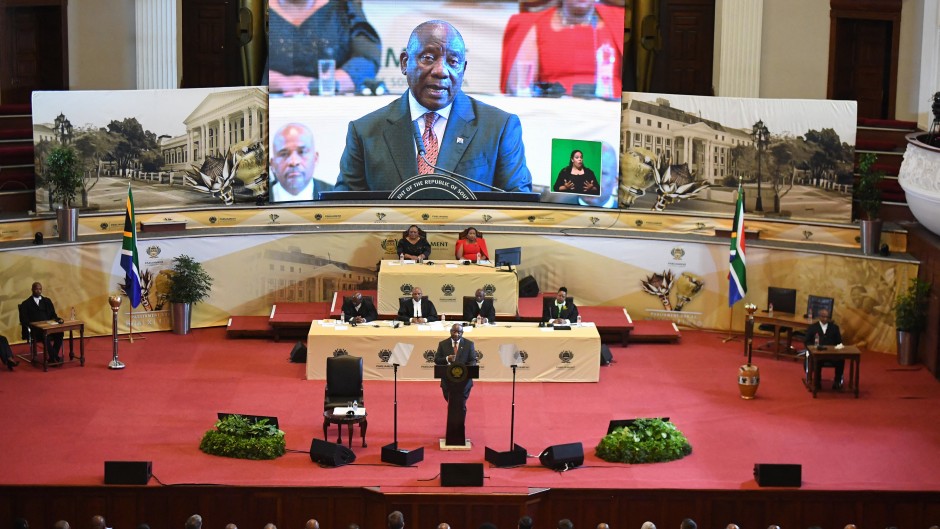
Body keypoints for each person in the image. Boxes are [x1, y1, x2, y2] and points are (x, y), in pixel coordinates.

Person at [335, 20, 532, 193]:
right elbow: (344, 208)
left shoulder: (499, 127)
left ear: (462, 70)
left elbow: (519, 204)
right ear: (404, 63)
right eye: (428, 58)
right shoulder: (364, 131)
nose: (441, 71)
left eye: (452, 61)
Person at [500, 0, 624, 96]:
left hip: (612, 113)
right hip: (556, 113)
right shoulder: (534, 24)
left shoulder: (622, 20)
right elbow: (519, 87)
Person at [267, 0, 381, 95]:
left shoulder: (344, 7)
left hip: (331, 106)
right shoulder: (253, 9)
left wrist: (323, 85)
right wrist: (281, 82)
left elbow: (366, 60)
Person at [269, 123, 333, 202]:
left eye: (302, 152)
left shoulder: (336, 196)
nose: (294, 162)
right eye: (284, 154)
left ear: (315, 158)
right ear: (272, 164)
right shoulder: (255, 199)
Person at [21, 282, 64, 364]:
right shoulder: (26, 304)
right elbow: (24, 320)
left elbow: (53, 315)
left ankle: (52, 357)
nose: (38, 291)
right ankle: (55, 357)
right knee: (45, 336)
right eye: (36, 289)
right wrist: (34, 325)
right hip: (36, 330)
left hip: (48, 327)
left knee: (60, 333)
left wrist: (58, 320)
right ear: (32, 290)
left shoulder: (47, 301)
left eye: (40, 289)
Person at [803, 308, 845, 389]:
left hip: (832, 354)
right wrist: (813, 349)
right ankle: (817, 382)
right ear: (819, 317)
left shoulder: (834, 328)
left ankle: (837, 381)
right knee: (816, 361)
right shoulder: (813, 327)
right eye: (823, 317)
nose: (825, 319)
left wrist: (837, 348)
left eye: (827, 317)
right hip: (818, 354)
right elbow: (806, 341)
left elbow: (839, 342)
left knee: (841, 360)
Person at [434, 323, 477, 402]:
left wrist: (466, 370)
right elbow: (437, 360)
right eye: (454, 331)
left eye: (459, 332)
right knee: (451, 403)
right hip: (448, 381)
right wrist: (447, 359)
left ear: (462, 333)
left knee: (461, 404)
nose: (456, 334)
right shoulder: (443, 344)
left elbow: (473, 360)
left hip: (464, 381)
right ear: (450, 331)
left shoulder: (469, 344)